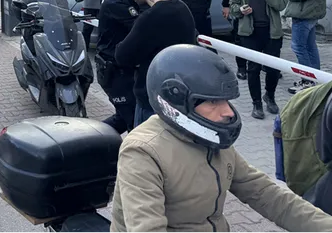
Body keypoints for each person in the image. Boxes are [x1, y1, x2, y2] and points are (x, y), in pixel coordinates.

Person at [111, 44, 332, 233]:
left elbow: (265, 193)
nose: (228, 112)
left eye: (226, 100)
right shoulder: (143, 152)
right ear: (177, 100)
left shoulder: (212, 138)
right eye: (213, 102)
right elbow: (147, 228)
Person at [115, 0, 196, 127]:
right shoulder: (182, 7)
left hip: (152, 99)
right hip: (179, 95)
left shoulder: (150, 17)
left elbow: (123, 56)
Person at [229, 0, 289, 119]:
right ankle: (257, 103)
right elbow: (232, 6)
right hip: (250, 33)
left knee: (272, 70)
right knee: (253, 69)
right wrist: (240, 10)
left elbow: (281, 4)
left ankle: (269, 96)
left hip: (271, 33)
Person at [96, 0, 142, 134]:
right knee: (131, 118)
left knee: (126, 117)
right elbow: (140, 27)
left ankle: (91, 140)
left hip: (125, 67)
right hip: (114, 69)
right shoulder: (116, 1)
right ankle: (91, 140)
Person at [285, 0, 329, 94]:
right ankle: (315, 78)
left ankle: (308, 80)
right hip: (306, 14)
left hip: (305, 15)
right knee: (310, 47)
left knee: (298, 47)